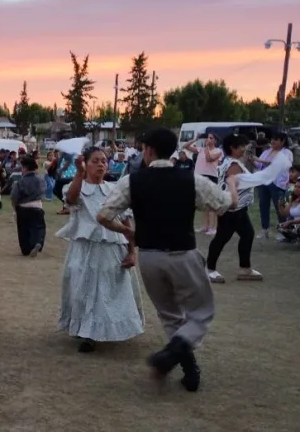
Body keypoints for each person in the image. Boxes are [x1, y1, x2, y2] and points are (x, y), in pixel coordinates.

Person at [97, 128, 238, 393]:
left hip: (150, 257)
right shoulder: (191, 179)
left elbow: (103, 215)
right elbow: (224, 205)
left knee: (170, 314)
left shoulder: (131, 181)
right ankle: (173, 355)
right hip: (183, 253)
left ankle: (189, 370)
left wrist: (128, 232)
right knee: (200, 313)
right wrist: (232, 184)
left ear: (149, 150)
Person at [57, 147, 143, 353]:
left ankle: (109, 330)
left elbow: (126, 222)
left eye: (104, 161)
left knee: (110, 291)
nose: (101, 164)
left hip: (112, 249)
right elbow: (71, 200)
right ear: (85, 164)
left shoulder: (114, 190)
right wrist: (79, 173)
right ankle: (87, 333)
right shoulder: (76, 186)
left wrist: (132, 252)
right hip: (84, 248)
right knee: (83, 290)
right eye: (95, 161)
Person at [205, 134, 262, 283]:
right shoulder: (234, 165)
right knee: (222, 237)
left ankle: (245, 268)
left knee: (247, 234)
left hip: (238, 208)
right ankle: (209, 269)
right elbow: (232, 185)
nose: (244, 149)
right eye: (241, 146)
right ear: (232, 148)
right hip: (232, 209)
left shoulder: (231, 161)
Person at [250, 132, 295, 239]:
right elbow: (259, 165)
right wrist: (251, 160)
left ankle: (283, 230)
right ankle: (265, 229)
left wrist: (258, 159)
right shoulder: (267, 152)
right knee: (263, 205)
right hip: (264, 181)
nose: (273, 141)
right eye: (272, 139)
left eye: (276, 139)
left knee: (280, 207)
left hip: (278, 183)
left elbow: (278, 165)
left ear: (282, 141)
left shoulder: (287, 153)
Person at [186, 134, 223, 235]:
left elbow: (209, 159)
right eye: (208, 137)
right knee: (204, 204)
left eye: (211, 138)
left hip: (211, 177)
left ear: (215, 141)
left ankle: (212, 228)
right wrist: (195, 138)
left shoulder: (218, 151)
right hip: (200, 176)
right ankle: (205, 226)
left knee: (211, 203)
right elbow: (186, 146)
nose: (208, 139)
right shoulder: (201, 149)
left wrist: (206, 147)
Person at [10, 155, 47, 257]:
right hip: (37, 206)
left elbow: (14, 196)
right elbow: (44, 191)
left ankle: (26, 249)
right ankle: (38, 242)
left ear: (25, 168)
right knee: (39, 227)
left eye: (22, 167)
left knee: (23, 230)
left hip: (23, 207)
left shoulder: (20, 182)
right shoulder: (40, 180)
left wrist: (14, 207)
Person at [277, 177, 300, 246]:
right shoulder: (293, 199)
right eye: (295, 186)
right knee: (280, 226)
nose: (296, 189)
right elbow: (285, 214)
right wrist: (280, 205)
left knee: (298, 228)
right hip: (296, 225)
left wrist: (290, 222)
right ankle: (294, 240)